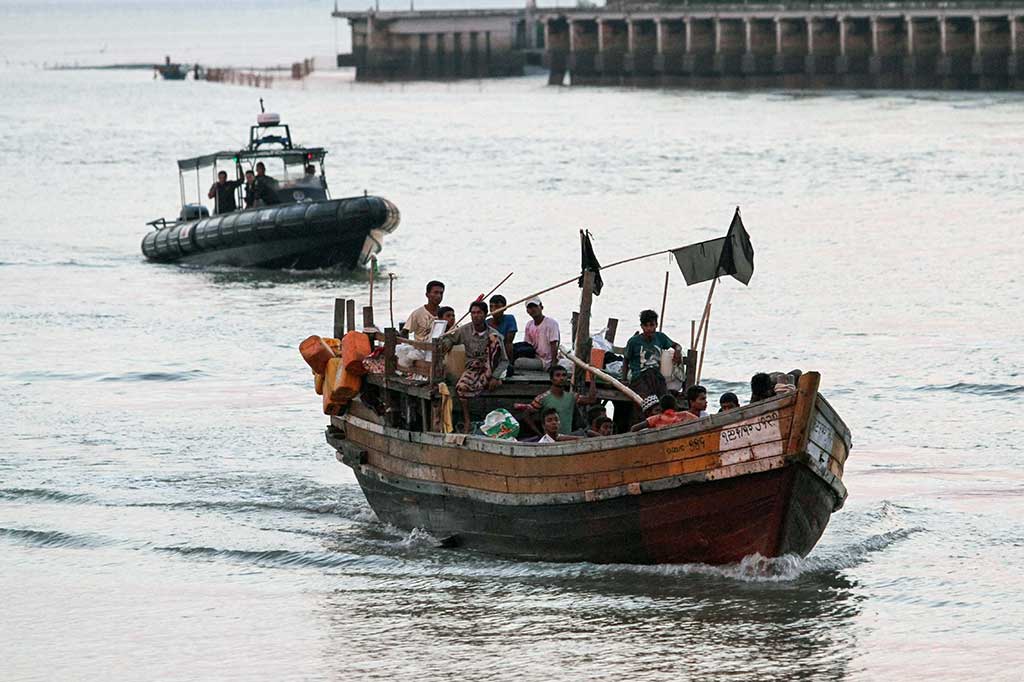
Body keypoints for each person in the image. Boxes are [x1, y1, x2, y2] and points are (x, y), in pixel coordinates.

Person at [439, 300, 508, 433]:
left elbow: (504, 360)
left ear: (485, 314)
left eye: (479, 313)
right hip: (473, 368)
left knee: (492, 382)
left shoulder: (494, 334)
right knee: (461, 387)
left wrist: (494, 376)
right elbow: (450, 339)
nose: (476, 316)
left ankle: (494, 381)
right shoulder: (464, 330)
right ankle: (467, 420)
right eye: (473, 313)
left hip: (490, 367)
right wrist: (446, 344)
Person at [520, 365, 597, 436]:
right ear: (551, 379)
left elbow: (591, 400)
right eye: (558, 375)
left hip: (567, 438)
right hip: (550, 440)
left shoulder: (571, 396)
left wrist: (592, 379)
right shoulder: (542, 398)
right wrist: (539, 434)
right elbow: (526, 415)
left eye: (564, 375)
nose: (561, 378)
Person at [622, 309, 682, 399]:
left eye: (652, 325)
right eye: (646, 326)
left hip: (656, 377)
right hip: (639, 377)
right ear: (641, 326)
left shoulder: (660, 337)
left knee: (664, 398)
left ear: (656, 325)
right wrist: (624, 380)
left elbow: (677, 346)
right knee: (646, 399)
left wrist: (677, 351)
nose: (649, 328)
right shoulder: (634, 341)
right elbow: (626, 360)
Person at [522, 298, 560, 370]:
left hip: (546, 361)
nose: (533, 309)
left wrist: (553, 362)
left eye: (535, 306)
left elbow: (554, 343)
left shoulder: (551, 323)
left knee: (519, 363)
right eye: (530, 307)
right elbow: (527, 344)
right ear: (527, 311)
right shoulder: (529, 324)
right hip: (535, 356)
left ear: (541, 307)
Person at [488, 294, 518, 374]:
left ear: (505, 308)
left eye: (497, 306)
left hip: (504, 355)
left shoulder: (510, 319)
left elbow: (508, 343)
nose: (493, 309)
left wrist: (508, 363)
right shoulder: (487, 322)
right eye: (491, 306)